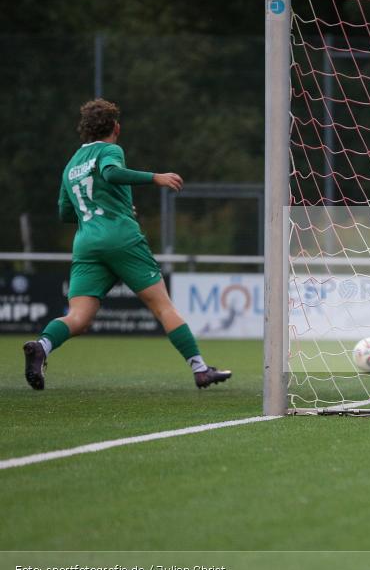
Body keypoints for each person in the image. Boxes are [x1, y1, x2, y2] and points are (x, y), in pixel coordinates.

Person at [23, 99, 231, 390]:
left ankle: (42, 345)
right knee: (163, 307)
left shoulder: (71, 164)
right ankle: (200, 369)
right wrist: (155, 178)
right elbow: (110, 173)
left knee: (78, 318)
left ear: (85, 130)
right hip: (120, 238)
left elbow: (65, 212)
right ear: (116, 127)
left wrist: (103, 209)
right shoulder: (110, 150)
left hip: (86, 244)